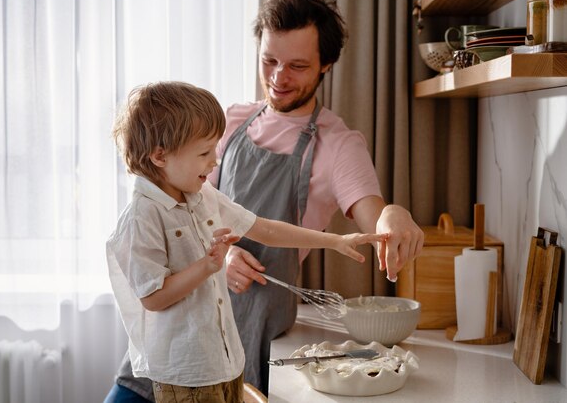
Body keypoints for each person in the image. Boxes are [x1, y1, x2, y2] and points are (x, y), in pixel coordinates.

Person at [105, 0, 424, 401]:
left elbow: (372, 214)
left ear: (326, 64)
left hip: (251, 333)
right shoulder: (230, 122)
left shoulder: (339, 145)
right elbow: (191, 209)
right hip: (175, 323)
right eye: (269, 61)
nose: (278, 77)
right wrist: (224, 258)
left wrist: (393, 215)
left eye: (296, 66)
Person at [106, 81, 386, 403]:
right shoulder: (140, 219)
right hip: (187, 373)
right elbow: (153, 298)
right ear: (160, 156)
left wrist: (335, 240)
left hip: (224, 362)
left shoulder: (201, 195)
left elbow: (264, 229)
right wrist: (208, 266)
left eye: (215, 148)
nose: (214, 161)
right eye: (204, 152)